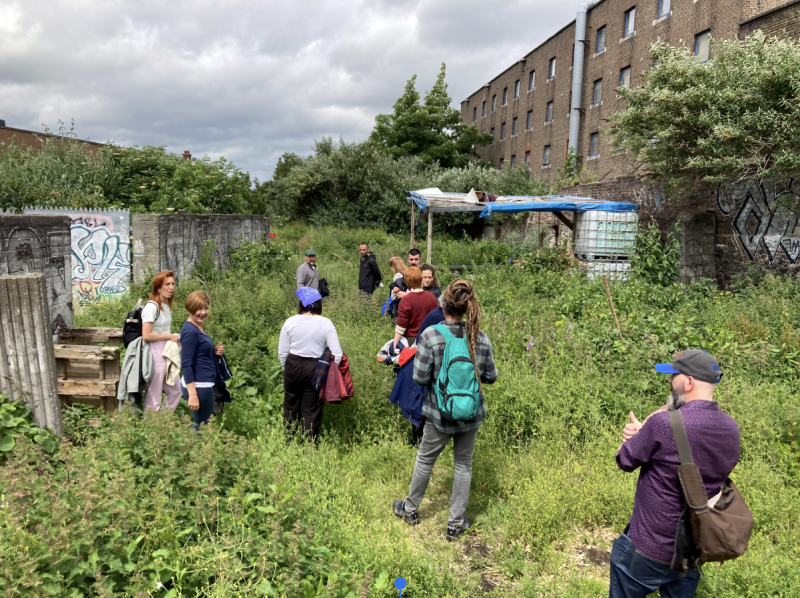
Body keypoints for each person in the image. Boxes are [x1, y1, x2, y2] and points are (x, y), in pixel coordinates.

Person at [611, 350, 740, 598]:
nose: (669, 381)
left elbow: (624, 459)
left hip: (648, 548)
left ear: (689, 382)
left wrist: (645, 429)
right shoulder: (731, 428)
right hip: (691, 552)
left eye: (674, 376)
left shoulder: (663, 423)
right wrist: (648, 432)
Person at [393, 280, 498, 541]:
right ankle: (455, 524)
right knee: (463, 464)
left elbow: (419, 378)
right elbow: (491, 376)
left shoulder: (431, 336)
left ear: (443, 303)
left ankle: (411, 510)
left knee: (425, 459)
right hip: (471, 415)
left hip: (438, 414)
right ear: (468, 307)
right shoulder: (480, 338)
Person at [278, 287, 343, 438]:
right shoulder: (326, 323)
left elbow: (282, 352)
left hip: (293, 364)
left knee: (290, 404)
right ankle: (307, 445)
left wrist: (287, 368)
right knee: (311, 408)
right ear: (319, 304)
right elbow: (337, 354)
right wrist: (327, 372)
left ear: (301, 303)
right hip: (315, 367)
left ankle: (288, 440)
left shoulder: (290, 322)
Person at [180, 291, 225, 430]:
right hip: (199, 385)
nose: (203, 312)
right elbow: (186, 364)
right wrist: (193, 394)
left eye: (206, 308)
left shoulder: (197, 326)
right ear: (190, 308)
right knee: (202, 427)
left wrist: (214, 351)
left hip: (203, 382)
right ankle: (194, 450)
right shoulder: (190, 331)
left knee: (202, 424)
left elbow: (198, 352)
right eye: (198, 308)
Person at [141, 271, 182, 413]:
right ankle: (151, 429)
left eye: (173, 284)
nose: (171, 287)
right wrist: (168, 336)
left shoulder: (166, 306)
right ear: (158, 287)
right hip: (154, 352)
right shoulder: (152, 307)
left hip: (167, 351)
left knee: (176, 390)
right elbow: (146, 335)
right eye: (167, 284)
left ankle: (163, 422)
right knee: (154, 393)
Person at [392, 267, 438, 349]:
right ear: (420, 279)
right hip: (430, 338)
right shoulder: (431, 297)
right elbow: (437, 317)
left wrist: (394, 345)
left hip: (411, 340)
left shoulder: (406, 300)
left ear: (407, 281)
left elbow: (401, 326)